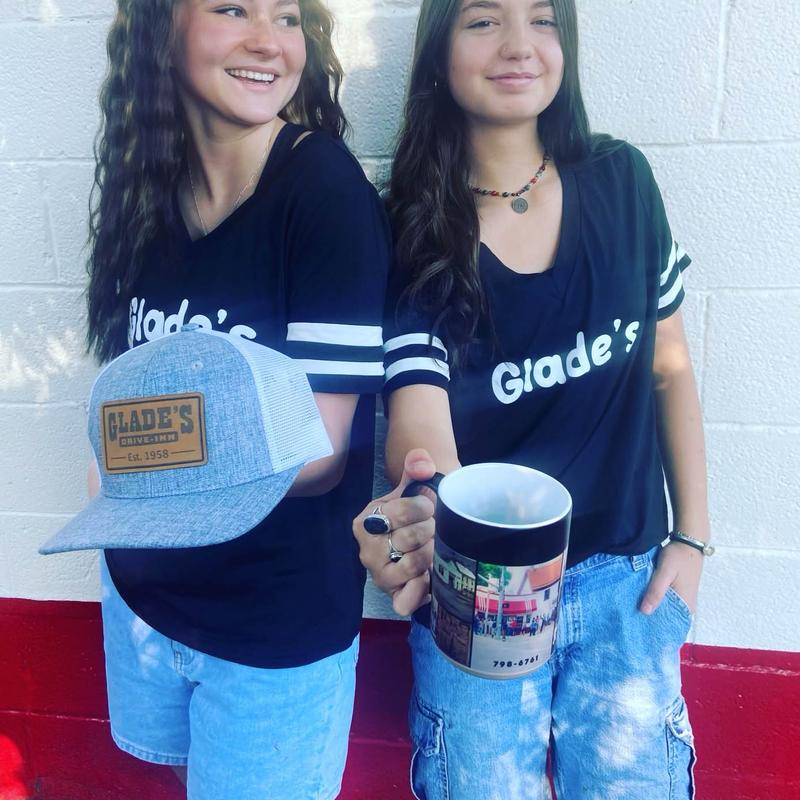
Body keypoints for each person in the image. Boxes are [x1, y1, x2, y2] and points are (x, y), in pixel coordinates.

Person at [353, 0, 709, 797]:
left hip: (626, 586)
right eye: (484, 21)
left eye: (543, 19)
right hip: (480, 590)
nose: (519, 45)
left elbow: (671, 367)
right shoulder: (409, 225)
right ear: (438, 50)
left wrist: (691, 540)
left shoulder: (623, 182)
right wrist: (424, 502)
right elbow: (417, 412)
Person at [85, 1, 389, 798]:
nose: (268, 41)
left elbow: (317, 454)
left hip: (271, 631)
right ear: (162, 26)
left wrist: (135, 471)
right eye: (232, 7)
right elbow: (126, 400)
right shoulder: (146, 185)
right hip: (145, 599)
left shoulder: (323, 192)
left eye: (287, 17)